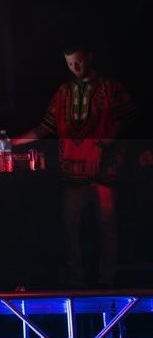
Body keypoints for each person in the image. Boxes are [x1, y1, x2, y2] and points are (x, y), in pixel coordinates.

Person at [12, 41, 135, 287]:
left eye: (78, 61)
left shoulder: (110, 87)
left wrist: (102, 145)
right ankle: (76, 279)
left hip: (103, 168)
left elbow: (124, 118)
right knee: (69, 225)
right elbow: (45, 128)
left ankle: (107, 280)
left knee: (106, 225)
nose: (75, 67)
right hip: (72, 171)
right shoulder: (63, 92)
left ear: (89, 57)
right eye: (70, 64)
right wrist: (13, 142)